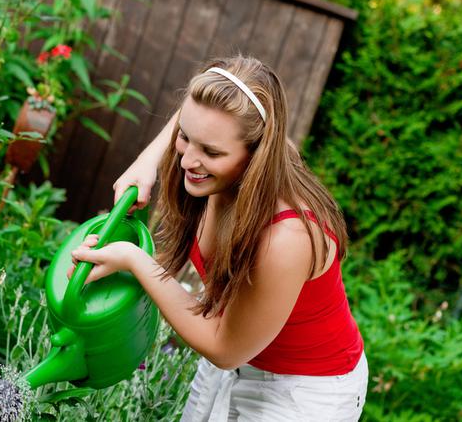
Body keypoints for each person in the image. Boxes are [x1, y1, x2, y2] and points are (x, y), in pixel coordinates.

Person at [68, 55, 367, 421]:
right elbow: (201, 114)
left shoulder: (286, 237)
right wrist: (148, 159)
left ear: (258, 153)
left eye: (210, 151)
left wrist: (135, 261)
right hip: (241, 359)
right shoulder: (219, 163)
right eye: (185, 138)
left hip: (304, 391)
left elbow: (225, 348)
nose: (186, 161)